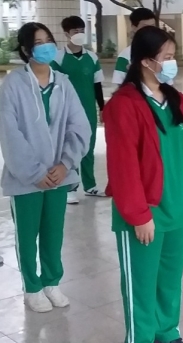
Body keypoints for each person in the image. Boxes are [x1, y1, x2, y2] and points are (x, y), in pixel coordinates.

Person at [104, 26, 183, 343]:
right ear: (147, 62)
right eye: (168, 57)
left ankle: (167, 331)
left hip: (177, 208)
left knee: (169, 279)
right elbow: (123, 166)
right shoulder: (125, 104)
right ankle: (141, 336)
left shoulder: (177, 100)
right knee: (141, 283)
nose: (173, 63)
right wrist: (138, 214)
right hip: (145, 212)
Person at [0, 22, 91, 312]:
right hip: (25, 178)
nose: (46, 46)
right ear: (27, 50)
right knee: (28, 235)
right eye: (39, 42)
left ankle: (52, 282)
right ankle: (32, 287)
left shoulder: (63, 82)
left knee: (54, 232)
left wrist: (66, 164)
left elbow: (79, 126)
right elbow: (10, 134)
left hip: (58, 176)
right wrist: (35, 172)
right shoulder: (13, 84)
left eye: (49, 40)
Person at [51, 16, 106, 204]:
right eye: (75, 31)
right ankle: (71, 187)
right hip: (66, 111)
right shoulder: (57, 58)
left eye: (82, 30)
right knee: (69, 147)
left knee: (88, 147)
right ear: (66, 33)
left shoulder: (92, 57)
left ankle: (90, 185)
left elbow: (97, 85)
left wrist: (102, 108)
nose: (79, 34)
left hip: (88, 109)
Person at [113, 8, 157, 84]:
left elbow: (169, 83)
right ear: (134, 27)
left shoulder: (161, 51)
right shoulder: (124, 56)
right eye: (145, 26)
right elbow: (120, 85)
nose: (150, 30)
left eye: (152, 26)